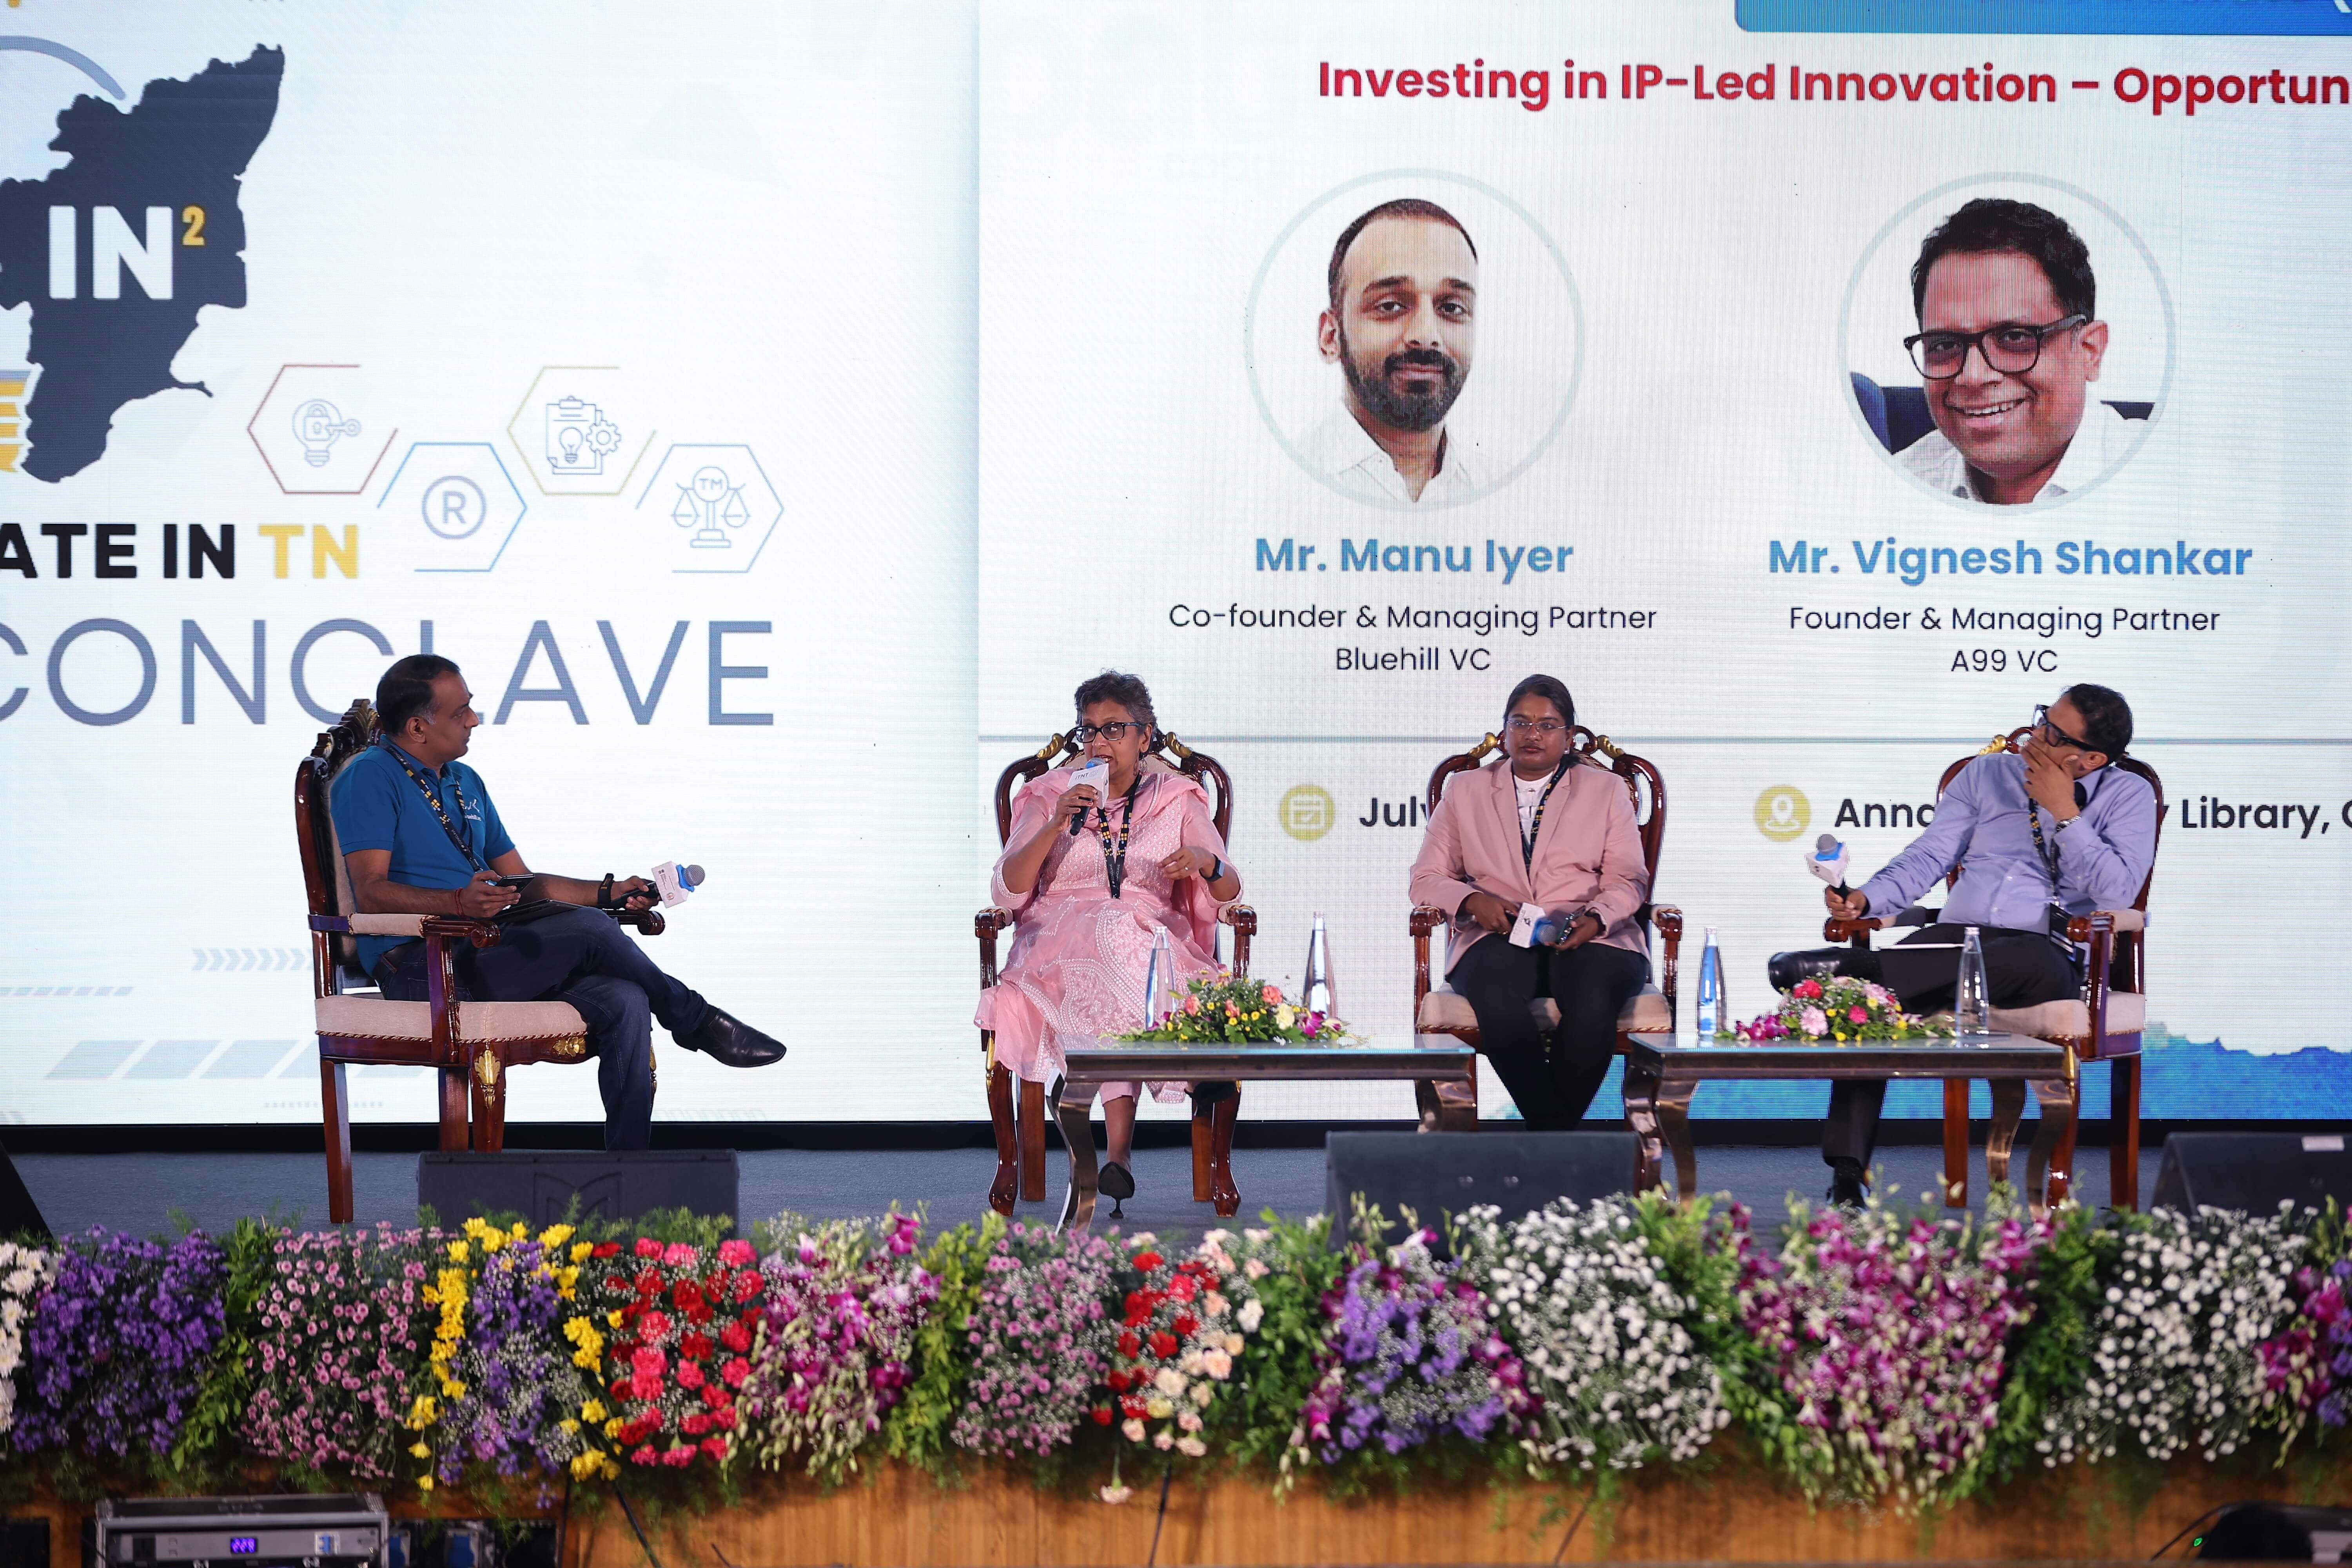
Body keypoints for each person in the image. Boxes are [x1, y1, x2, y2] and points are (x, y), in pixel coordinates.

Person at [330, 654, 784, 1150]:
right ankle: (695, 1020)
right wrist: (459, 902)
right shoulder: (369, 776)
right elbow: (370, 890)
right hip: (422, 967)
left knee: (627, 998)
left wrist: (611, 891)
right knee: (589, 928)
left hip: (486, 949)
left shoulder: (465, 781)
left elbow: (523, 883)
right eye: (460, 713)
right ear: (418, 727)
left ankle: (629, 1170)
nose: (474, 720)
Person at [1769, 684, 2156, 1204]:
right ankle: (1847, 1174)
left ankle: (1859, 971)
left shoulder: (2128, 794)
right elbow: (1929, 856)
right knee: (1877, 1004)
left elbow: (2117, 892)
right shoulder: (1986, 774)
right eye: (2042, 717)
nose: (2036, 734)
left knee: (1888, 982)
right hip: (1957, 938)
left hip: (2045, 950)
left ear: (2089, 759)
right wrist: (1866, 899)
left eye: (2053, 733)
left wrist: (2065, 813)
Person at [979, 671, 1243, 1207]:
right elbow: (1007, 891)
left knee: (1121, 930)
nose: (1098, 743)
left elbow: (1229, 890)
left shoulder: (1177, 798)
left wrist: (1205, 860)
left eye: (1114, 729)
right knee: (1109, 930)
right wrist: (1054, 825)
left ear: (1144, 738)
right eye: (1089, 730)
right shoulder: (1047, 794)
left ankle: (1116, 1156)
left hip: (1151, 943)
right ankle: (1131, 1140)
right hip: (1055, 942)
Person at [1408, 675, 1652, 1128]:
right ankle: (1557, 1139)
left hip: (1592, 933)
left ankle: (1545, 1140)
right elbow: (1426, 879)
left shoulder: (1606, 790)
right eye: (1520, 722)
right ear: (1504, 732)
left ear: (1570, 735)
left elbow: (1629, 879)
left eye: (1547, 725)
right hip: (1497, 933)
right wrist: (1472, 900)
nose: (1532, 734)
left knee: (1593, 994)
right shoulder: (1465, 789)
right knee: (1495, 992)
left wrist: (1598, 918)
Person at [1897, 198, 2134, 506]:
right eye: (1945, 345)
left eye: (2015, 337)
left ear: (2089, 351)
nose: (1973, 377)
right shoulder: (1895, 486)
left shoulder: (2172, 480)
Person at [1304, 197, 1492, 505]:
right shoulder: (1275, 486)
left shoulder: (1510, 495)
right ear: (1331, 337)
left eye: (1452, 308)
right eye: (1390, 306)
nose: (1426, 336)